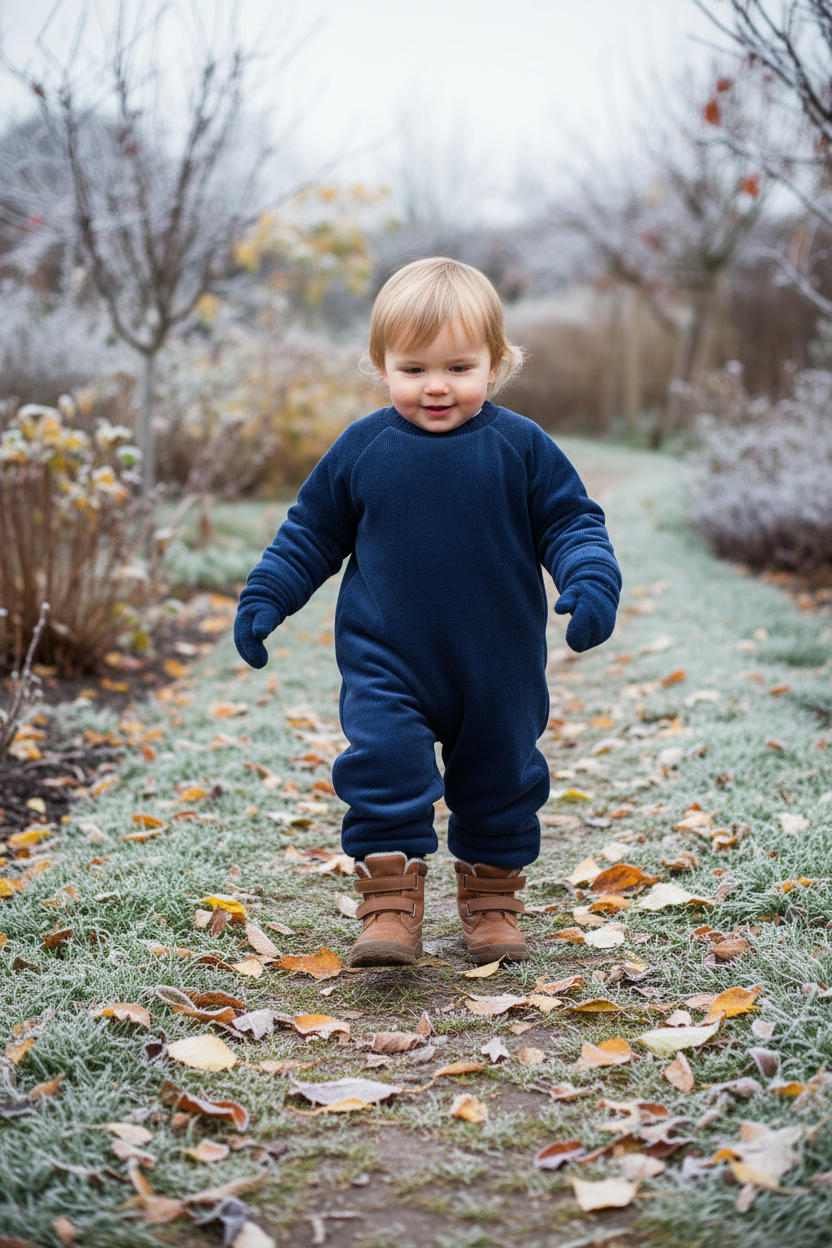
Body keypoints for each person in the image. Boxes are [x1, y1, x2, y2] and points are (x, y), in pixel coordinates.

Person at [234, 257, 622, 968]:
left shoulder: (521, 448)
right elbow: (311, 533)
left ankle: (491, 900)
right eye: (413, 369)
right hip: (388, 657)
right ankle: (389, 903)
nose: (435, 386)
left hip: (497, 663)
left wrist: (591, 579)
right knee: (382, 764)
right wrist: (266, 597)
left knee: (502, 777)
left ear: (496, 365)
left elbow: (572, 523)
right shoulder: (363, 450)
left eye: (458, 367)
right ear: (382, 366)